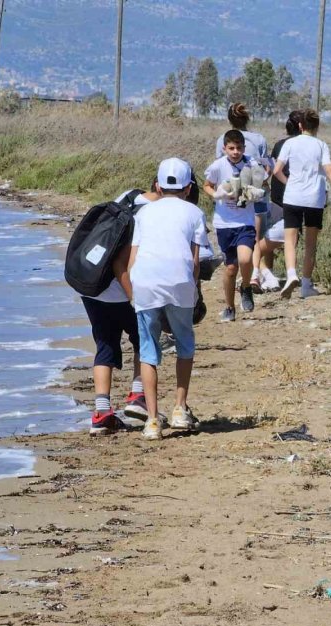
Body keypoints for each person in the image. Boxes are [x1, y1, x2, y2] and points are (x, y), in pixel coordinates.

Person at [128, 158, 206, 441]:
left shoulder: (144, 213)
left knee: (148, 349)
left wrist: (134, 289)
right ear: (188, 188)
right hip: (179, 279)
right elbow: (195, 261)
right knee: (184, 342)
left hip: (146, 279)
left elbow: (134, 257)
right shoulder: (194, 212)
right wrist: (193, 290)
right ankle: (179, 408)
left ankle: (151, 420)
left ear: (158, 186)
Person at [80, 187, 155, 435]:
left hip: (92, 286)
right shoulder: (151, 215)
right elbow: (121, 263)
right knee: (143, 340)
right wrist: (133, 297)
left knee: (105, 345)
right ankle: (137, 397)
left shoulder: (126, 198)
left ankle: (101, 412)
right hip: (120, 290)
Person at [272, 108, 331, 299]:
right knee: (310, 243)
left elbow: (276, 170)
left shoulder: (290, 143)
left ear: (300, 125)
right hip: (314, 199)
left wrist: (288, 182)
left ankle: (291, 274)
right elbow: (330, 169)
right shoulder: (321, 145)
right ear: (317, 126)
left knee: (290, 240)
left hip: (293, 197)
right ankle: (306, 284)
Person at [203, 130, 265, 321]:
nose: (235, 152)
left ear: (244, 148)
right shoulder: (218, 166)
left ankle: (246, 287)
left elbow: (263, 184)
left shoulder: (252, 164)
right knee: (230, 268)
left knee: (245, 260)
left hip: (245, 221)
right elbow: (207, 185)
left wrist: (256, 193)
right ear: (224, 148)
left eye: (239, 148)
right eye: (231, 148)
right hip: (224, 223)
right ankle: (229, 307)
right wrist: (216, 195)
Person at [215, 103, 273, 289]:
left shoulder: (222, 141)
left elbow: (220, 168)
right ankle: (256, 275)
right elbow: (267, 169)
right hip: (256, 196)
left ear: (229, 120)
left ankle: (251, 275)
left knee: (241, 243)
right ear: (247, 119)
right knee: (256, 237)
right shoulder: (259, 139)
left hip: (231, 199)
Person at [253, 110, 303, 291]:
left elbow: (273, 167)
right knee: (274, 239)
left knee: (265, 238)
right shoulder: (307, 145)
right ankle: (270, 274)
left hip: (276, 198)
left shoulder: (280, 144)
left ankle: (267, 274)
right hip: (294, 200)